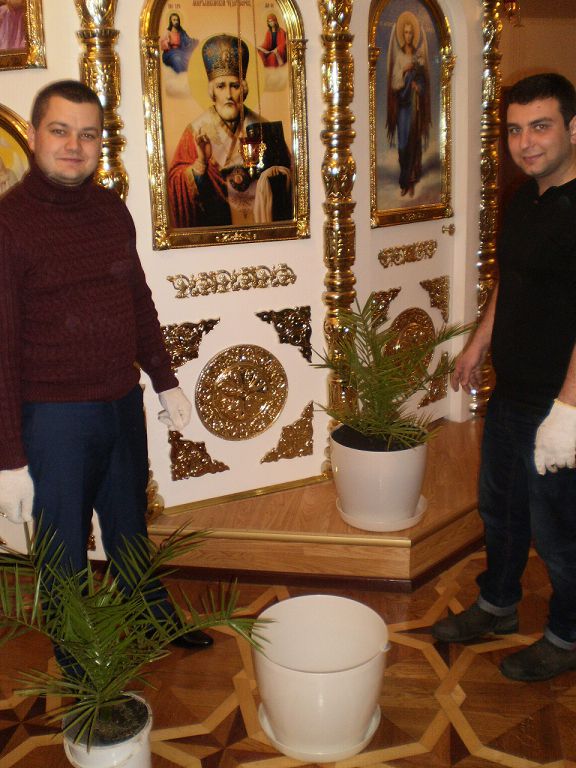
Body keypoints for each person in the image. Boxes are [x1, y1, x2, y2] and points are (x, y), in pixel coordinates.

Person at [0, 80, 212, 653]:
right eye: (60, 131)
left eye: (88, 134)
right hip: (54, 420)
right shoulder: (8, 224)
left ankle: (150, 617)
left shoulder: (111, 209)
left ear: (100, 142)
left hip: (121, 401)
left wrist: (165, 381)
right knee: (63, 548)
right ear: (34, 135)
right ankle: (81, 670)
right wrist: (9, 459)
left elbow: (136, 299)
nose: (74, 145)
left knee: (129, 525)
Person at [432, 73, 576, 682]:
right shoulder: (524, 199)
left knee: (560, 530)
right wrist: (477, 343)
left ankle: (567, 636)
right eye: (515, 130)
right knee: (502, 510)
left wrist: (568, 411)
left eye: (540, 127)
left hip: (561, 404)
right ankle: (497, 605)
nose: (525, 142)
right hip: (513, 392)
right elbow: (510, 282)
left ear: (573, 128)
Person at [167, 34, 292, 229]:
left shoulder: (264, 128)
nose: (228, 95)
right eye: (221, 86)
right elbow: (176, 182)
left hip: (261, 225)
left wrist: (274, 174)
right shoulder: (196, 131)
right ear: (212, 91)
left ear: (243, 89)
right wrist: (201, 163)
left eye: (234, 86)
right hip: (216, 226)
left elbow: (290, 175)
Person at [386, 11, 431, 198]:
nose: (408, 36)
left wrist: (417, 86)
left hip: (415, 105)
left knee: (414, 139)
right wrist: (404, 72)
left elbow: (423, 81)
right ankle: (404, 179)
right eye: (405, 32)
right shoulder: (399, 58)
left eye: (411, 32)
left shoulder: (418, 57)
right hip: (403, 105)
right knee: (403, 142)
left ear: (414, 35)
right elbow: (394, 83)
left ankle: (410, 179)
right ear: (402, 34)